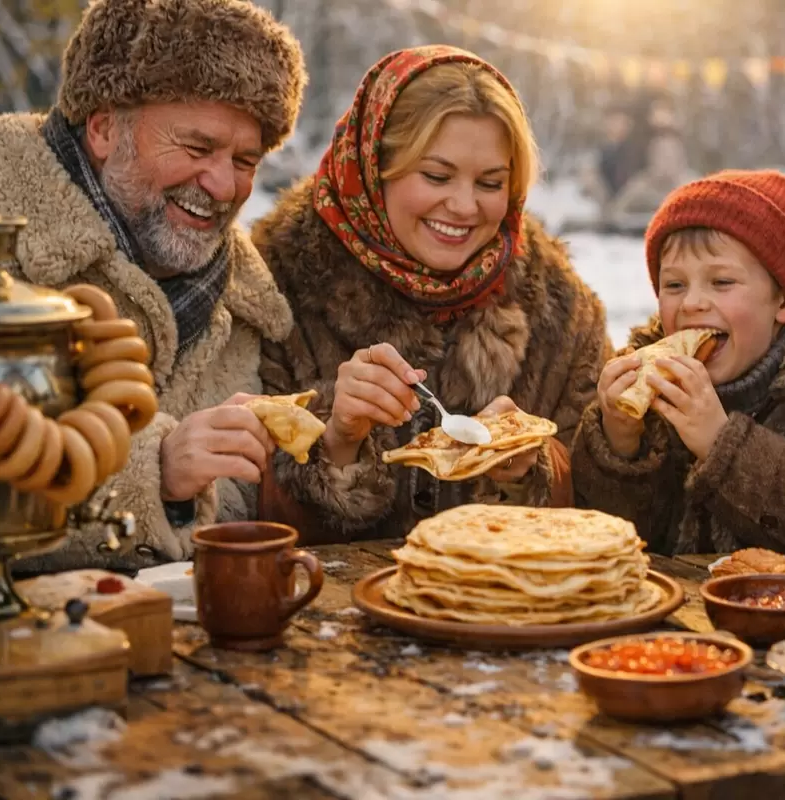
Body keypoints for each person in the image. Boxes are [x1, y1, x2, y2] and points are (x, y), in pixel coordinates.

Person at [0, 0, 305, 571]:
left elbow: (231, 509)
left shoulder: (245, 304)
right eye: (196, 147)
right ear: (106, 128)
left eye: (245, 159)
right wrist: (151, 469)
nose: (222, 184)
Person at [253, 45, 610, 543]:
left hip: (504, 612)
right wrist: (338, 440)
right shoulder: (276, 282)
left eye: (490, 183)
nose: (465, 206)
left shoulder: (559, 305)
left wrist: (531, 468)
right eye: (436, 176)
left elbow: (606, 510)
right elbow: (242, 516)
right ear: (375, 166)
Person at [573, 170, 785, 557]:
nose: (691, 302)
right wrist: (620, 443)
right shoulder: (652, 387)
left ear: (784, 302)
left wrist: (721, 444)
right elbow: (620, 540)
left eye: (722, 282)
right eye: (674, 285)